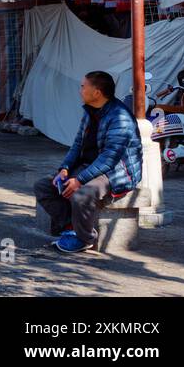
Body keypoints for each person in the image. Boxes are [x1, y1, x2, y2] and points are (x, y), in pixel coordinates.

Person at [33, 70, 144, 254]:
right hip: (91, 166)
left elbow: (109, 159)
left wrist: (80, 180)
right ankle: (70, 227)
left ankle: (85, 239)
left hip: (116, 172)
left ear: (97, 92)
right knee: (44, 186)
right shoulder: (89, 111)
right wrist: (65, 168)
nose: (80, 90)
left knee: (82, 195)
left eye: (83, 86)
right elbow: (77, 145)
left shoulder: (120, 117)